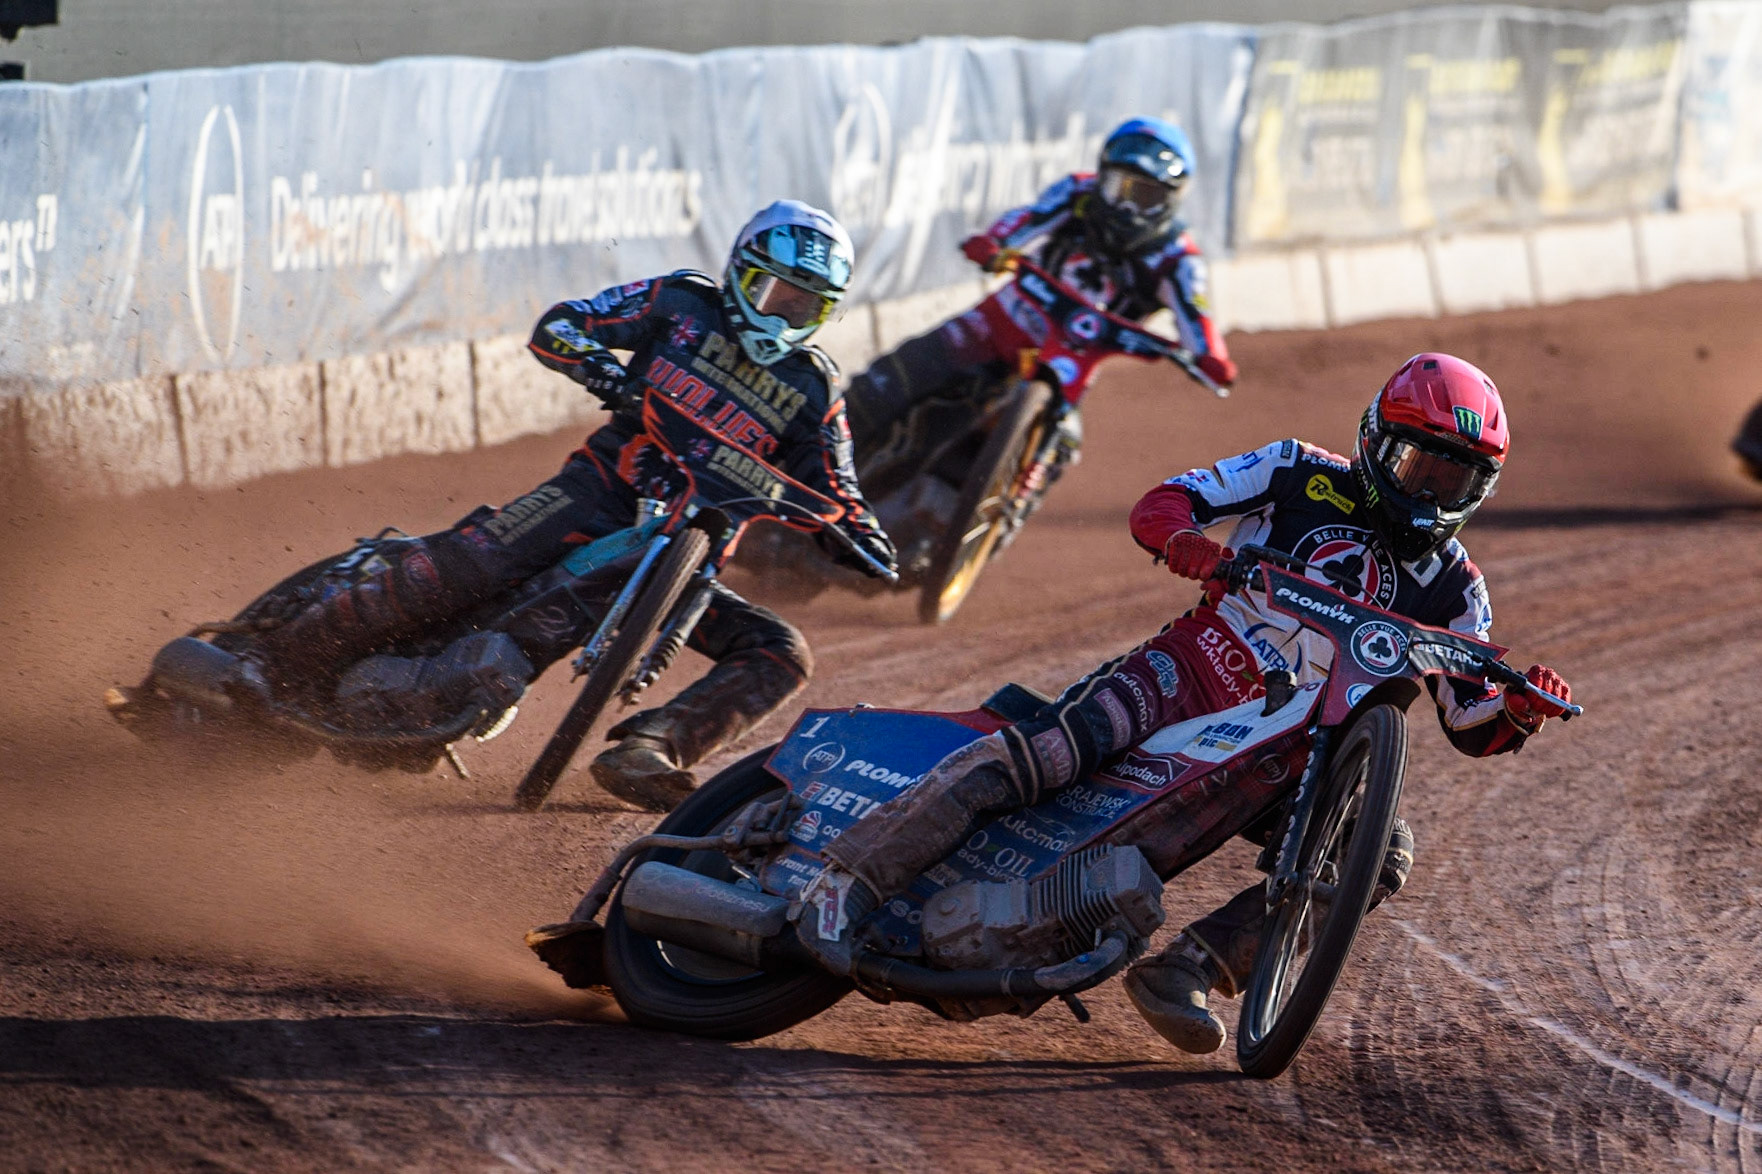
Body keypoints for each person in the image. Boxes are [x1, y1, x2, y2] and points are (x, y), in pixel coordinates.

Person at [795, 352, 1573, 1055]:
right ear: (1375, 441)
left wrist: (1521, 710)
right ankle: (845, 881)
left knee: (1381, 853)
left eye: (1455, 479)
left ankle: (1191, 967)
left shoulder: (1458, 587)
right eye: (1417, 466)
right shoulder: (1297, 470)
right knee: (1047, 755)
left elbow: (1471, 720)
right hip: (1193, 668)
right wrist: (1190, 544)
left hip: (1300, 755)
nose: (1430, 491)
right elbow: (1168, 500)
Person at [245, 200, 897, 812]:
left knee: (780, 652)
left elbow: (842, 489)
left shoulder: (812, 387)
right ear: (739, 276)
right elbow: (563, 325)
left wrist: (862, 539)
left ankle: (653, 748)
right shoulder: (681, 303)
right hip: (594, 495)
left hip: (681, 564)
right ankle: (269, 665)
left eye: (805, 306)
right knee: (461, 571)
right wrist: (605, 373)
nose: (783, 316)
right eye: (774, 294)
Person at [842, 116, 1237, 464]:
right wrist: (996, 243)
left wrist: (1212, 359)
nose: (1126, 208)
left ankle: (992, 525)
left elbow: (1197, 316)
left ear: (1173, 199)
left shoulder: (1179, 259)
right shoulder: (1077, 193)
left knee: (1060, 448)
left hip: (1070, 365)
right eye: (1119, 189)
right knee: (886, 381)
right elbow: (1029, 218)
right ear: (1101, 177)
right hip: (994, 324)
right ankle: (808, 465)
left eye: (1145, 196)